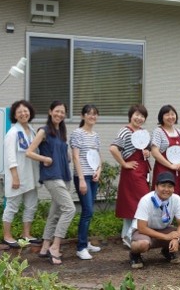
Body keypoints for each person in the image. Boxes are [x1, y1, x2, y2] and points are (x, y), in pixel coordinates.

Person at [26, 100, 76, 265]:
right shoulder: (44, 130)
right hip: (52, 176)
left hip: (64, 176)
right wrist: (45, 158)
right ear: (50, 112)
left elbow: (63, 152)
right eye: (57, 111)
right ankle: (55, 246)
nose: (60, 114)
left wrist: (66, 155)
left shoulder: (60, 132)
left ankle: (44, 247)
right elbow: (29, 152)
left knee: (54, 214)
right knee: (69, 209)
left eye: (63, 112)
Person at [128, 172, 180, 269]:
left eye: (170, 186)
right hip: (144, 232)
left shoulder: (176, 199)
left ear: (173, 188)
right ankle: (135, 254)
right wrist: (166, 237)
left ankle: (168, 251)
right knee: (143, 244)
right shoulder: (146, 200)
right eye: (163, 186)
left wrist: (176, 238)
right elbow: (142, 228)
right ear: (156, 187)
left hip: (164, 228)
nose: (166, 189)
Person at [110, 104, 151, 247]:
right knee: (141, 203)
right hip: (132, 173)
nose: (139, 118)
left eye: (142, 116)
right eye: (137, 115)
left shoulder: (143, 132)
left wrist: (147, 152)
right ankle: (130, 236)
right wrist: (124, 163)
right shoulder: (125, 131)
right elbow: (113, 148)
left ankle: (126, 235)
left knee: (134, 205)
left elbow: (147, 149)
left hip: (142, 171)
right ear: (131, 115)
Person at [2, 100, 41, 248]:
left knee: (31, 206)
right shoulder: (12, 133)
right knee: (12, 206)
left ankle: (26, 234)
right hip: (17, 177)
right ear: (15, 116)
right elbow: (10, 157)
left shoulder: (32, 130)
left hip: (31, 175)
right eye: (19, 112)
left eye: (26, 111)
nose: (23, 114)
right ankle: (7, 235)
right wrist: (15, 177)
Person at [70, 104, 102, 260]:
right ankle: (81, 247)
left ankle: (85, 242)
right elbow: (76, 157)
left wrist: (99, 171)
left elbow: (97, 156)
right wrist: (82, 179)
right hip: (82, 177)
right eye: (89, 114)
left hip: (93, 176)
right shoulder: (77, 133)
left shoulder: (95, 135)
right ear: (82, 116)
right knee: (87, 210)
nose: (92, 116)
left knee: (88, 211)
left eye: (95, 114)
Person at [151, 105, 180, 195]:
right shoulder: (158, 131)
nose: (170, 117)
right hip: (163, 170)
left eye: (172, 114)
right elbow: (154, 152)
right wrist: (170, 165)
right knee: (161, 195)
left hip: (176, 171)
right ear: (161, 117)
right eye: (167, 114)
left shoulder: (178, 131)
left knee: (174, 196)